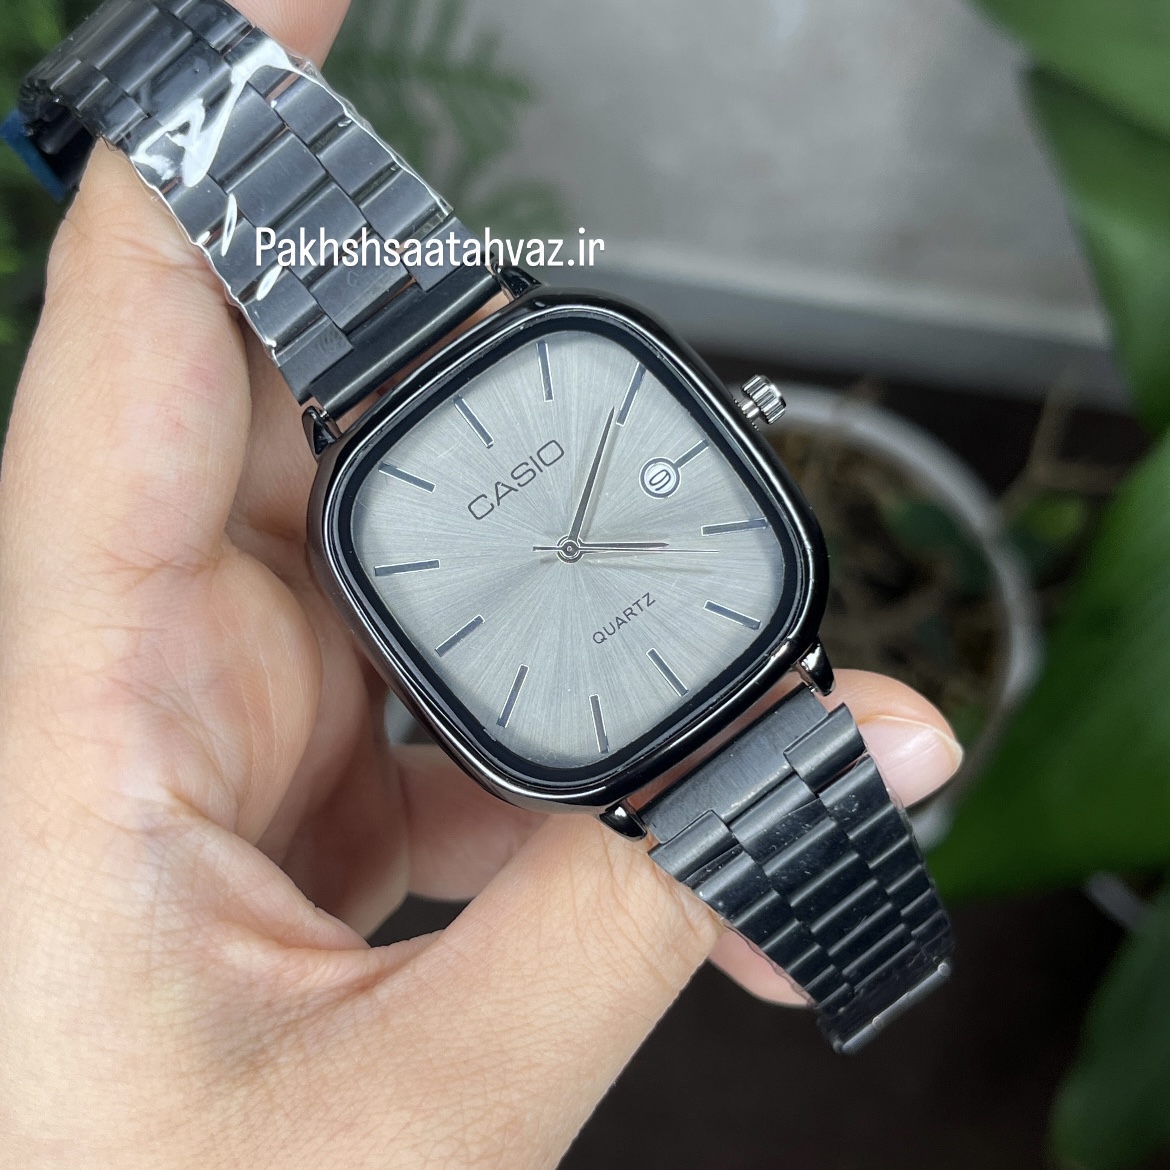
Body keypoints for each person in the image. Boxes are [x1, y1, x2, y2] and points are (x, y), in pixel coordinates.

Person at [0, 1, 963, 1163]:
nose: (563, 549)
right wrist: (704, 840)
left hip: (709, 640)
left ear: (736, 421)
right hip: (663, 694)